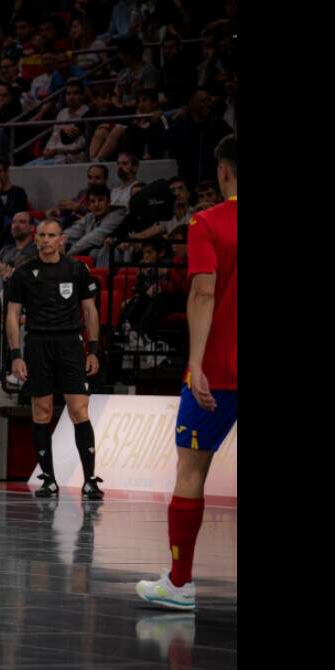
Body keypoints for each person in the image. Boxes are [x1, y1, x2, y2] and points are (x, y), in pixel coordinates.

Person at [136, 135, 237, 612]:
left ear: (224, 172)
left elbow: (201, 293)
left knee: (191, 471)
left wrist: (195, 361)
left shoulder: (208, 222)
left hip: (219, 371)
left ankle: (179, 583)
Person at [5, 219, 103, 501]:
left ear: (62, 240)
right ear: (36, 239)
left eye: (52, 235)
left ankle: (90, 480)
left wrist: (94, 349)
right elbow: (12, 315)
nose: (46, 240)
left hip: (71, 345)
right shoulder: (24, 273)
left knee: (78, 410)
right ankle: (48, 479)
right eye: (42, 235)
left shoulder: (76, 270)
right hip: (37, 345)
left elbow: (90, 311)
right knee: (42, 412)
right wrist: (15, 356)